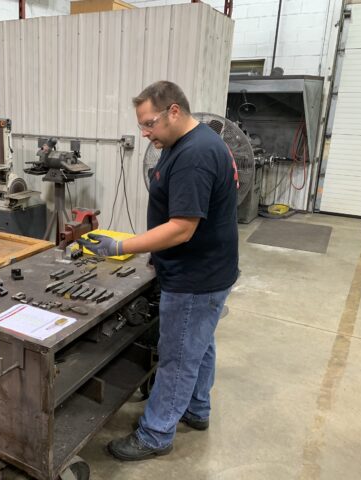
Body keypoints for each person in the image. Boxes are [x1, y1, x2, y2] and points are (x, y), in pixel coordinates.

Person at [78, 80, 239, 461]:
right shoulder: (184, 143)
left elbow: (183, 227)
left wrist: (120, 247)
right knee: (199, 343)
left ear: (174, 112)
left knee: (179, 355)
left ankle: (156, 434)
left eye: (150, 124)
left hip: (196, 276)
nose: (145, 133)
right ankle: (197, 409)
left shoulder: (195, 155)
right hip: (208, 268)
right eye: (141, 126)